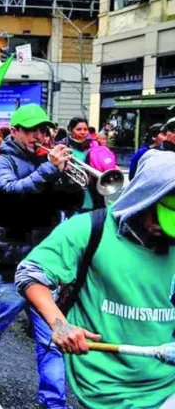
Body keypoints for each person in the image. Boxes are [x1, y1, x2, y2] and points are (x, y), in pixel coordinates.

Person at [17, 150, 175, 409]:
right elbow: (29, 273)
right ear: (144, 197)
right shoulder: (88, 229)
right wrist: (61, 326)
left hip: (167, 383)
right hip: (106, 389)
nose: (167, 231)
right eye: (162, 218)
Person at [0, 104, 83, 407]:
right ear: (15, 131)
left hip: (45, 268)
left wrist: (68, 176)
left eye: (43, 130)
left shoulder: (49, 164)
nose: (39, 136)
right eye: (31, 130)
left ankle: (53, 402)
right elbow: (9, 193)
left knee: (53, 339)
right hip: (10, 264)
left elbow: (74, 201)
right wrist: (49, 170)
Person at [63, 117, 105, 213]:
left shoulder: (95, 146)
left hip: (94, 197)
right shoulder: (64, 147)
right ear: (70, 130)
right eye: (78, 129)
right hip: (72, 199)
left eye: (85, 129)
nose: (83, 132)